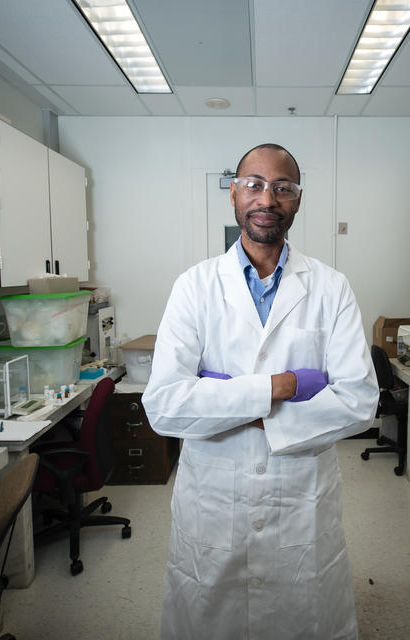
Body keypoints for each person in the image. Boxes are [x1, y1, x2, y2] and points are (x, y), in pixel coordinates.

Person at [142, 143, 379, 640]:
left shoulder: (331, 288)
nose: (266, 198)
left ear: (297, 200)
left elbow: (358, 400)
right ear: (233, 193)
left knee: (302, 613)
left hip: (299, 493)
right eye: (254, 184)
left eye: (282, 188)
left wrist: (227, 400)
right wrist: (282, 387)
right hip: (214, 495)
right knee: (209, 614)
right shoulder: (195, 286)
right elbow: (164, 406)